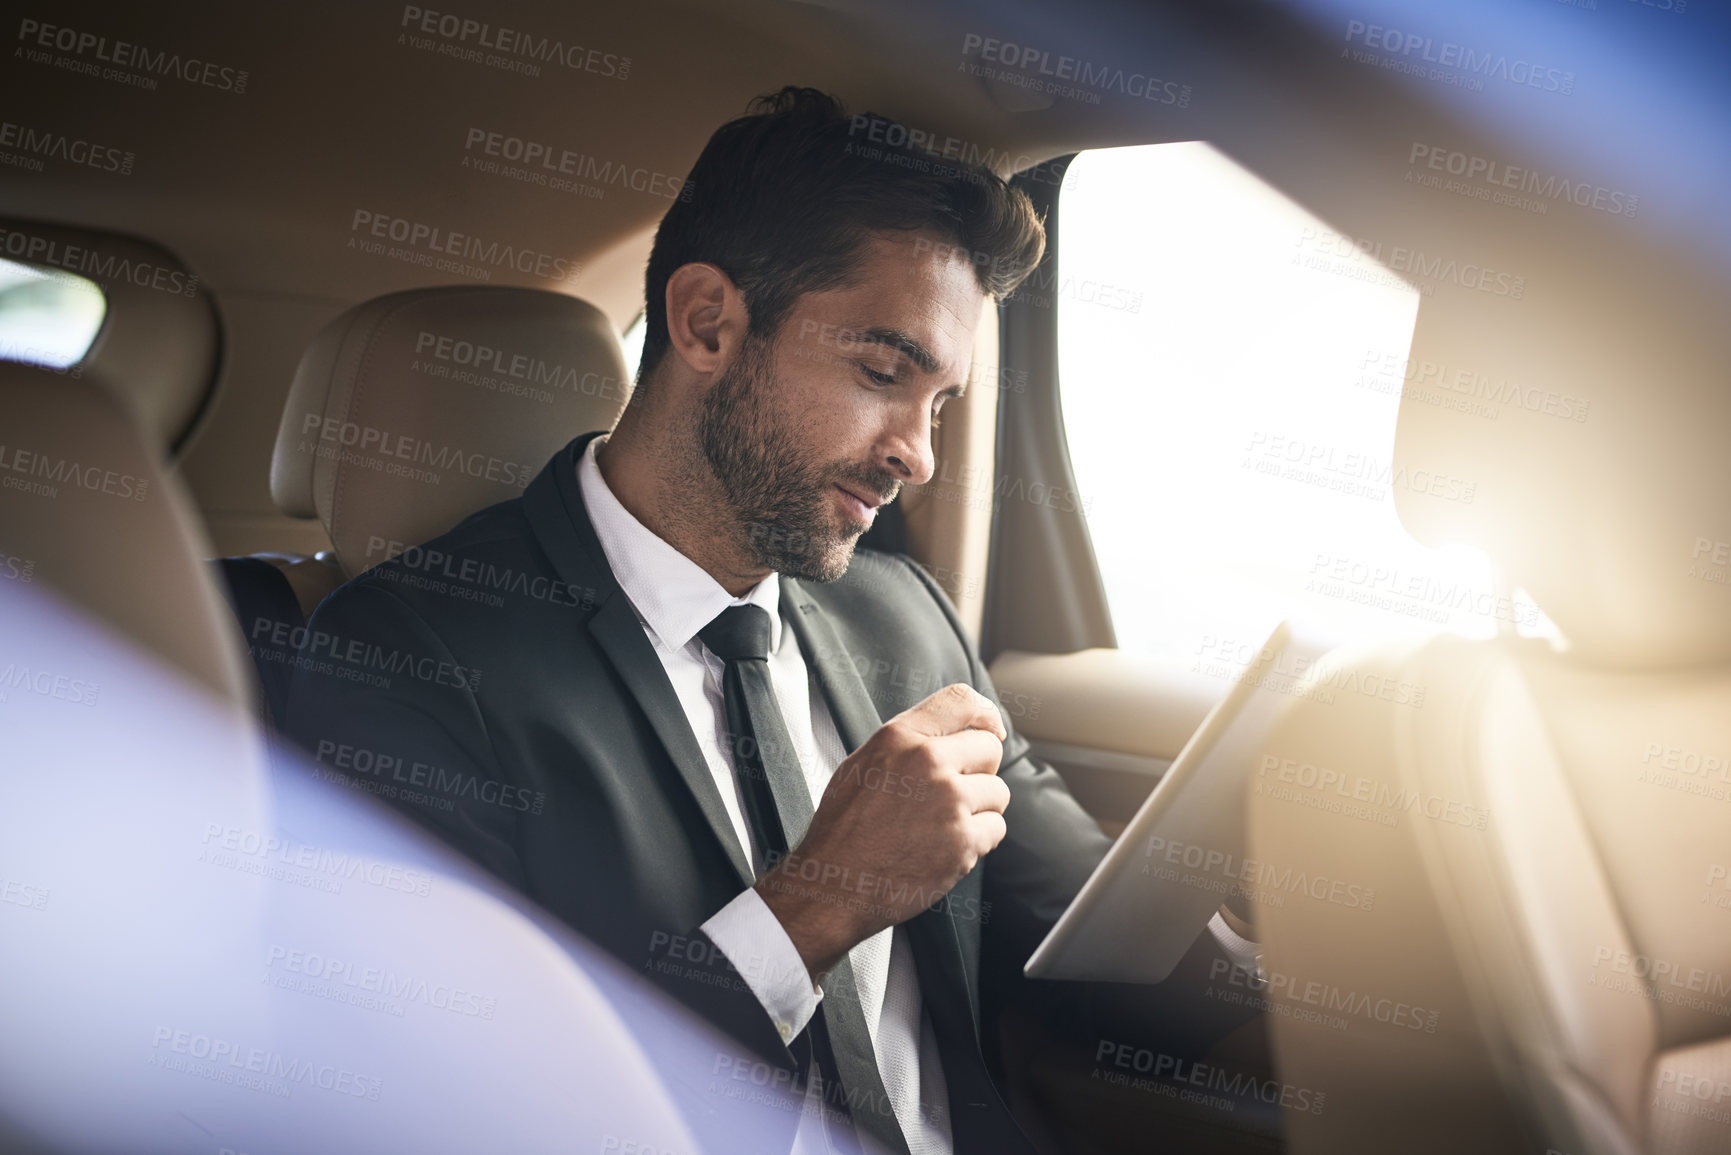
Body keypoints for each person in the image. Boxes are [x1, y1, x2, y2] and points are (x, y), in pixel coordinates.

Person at [284, 87, 1111, 1155]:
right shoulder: (403, 659)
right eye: (880, 373)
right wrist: (817, 903)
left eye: (940, 401)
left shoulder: (905, 618)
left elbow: (1085, 934)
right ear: (709, 322)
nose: (921, 454)